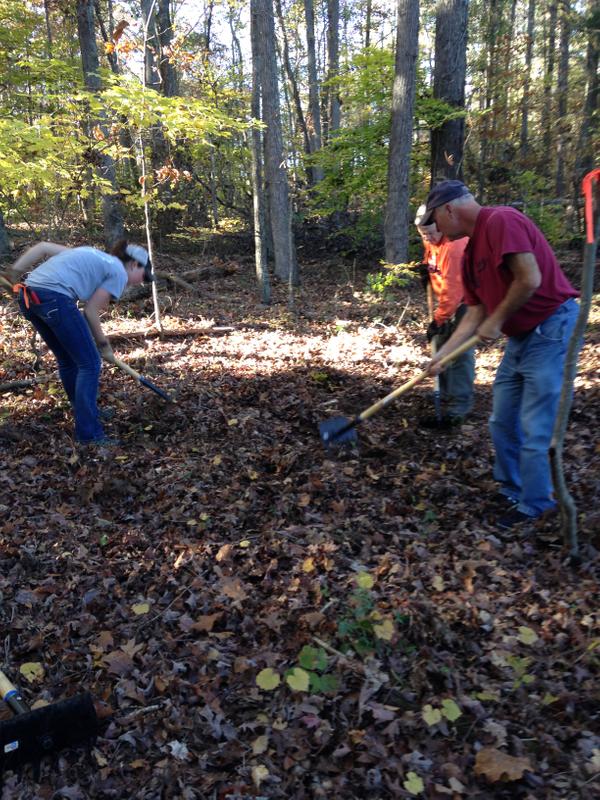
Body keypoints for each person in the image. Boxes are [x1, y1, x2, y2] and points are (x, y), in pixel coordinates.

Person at [420, 180, 580, 530]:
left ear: (449, 209)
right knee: (501, 420)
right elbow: (474, 313)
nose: (438, 230)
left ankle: (535, 504)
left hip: (551, 328)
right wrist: (443, 355)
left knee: (533, 424)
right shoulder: (470, 253)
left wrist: (497, 320)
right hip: (521, 337)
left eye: (437, 219)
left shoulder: (502, 221)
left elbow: (529, 278)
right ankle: (512, 489)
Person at [10, 239, 153, 446]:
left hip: (28, 297)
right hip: (54, 299)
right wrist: (104, 347)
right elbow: (91, 311)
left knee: (68, 361)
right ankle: (89, 435)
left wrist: (14, 271)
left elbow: (42, 247)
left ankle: (85, 414)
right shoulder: (119, 272)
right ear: (133, 264)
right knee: (90, 364)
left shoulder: (90, 253)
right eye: (144, 275)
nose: (141, 282)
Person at [414, 204, 475, 428]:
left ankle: (459, 405)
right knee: (440, 346)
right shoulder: (431, 238)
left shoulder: (455, 245)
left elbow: (454, 290)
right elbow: (432, 259)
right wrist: (425, 270)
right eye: (423, 234)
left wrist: (438, 320)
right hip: (446, 302)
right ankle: (445, 394)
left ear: (441, 225)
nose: (428, 237)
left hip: (468, 302)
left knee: (459, 351)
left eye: (431, 232)